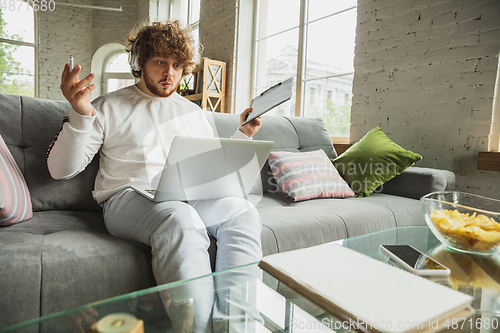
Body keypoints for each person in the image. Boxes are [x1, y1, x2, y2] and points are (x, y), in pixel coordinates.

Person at [47, 20, 263, 332]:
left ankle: (235, 326)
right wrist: (80, 113)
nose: (169, 73)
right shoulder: (107, 105)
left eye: (177, 65)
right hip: (127, 200)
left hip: (187, 195)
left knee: (244, 212)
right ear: (139, 62)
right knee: (180, 218)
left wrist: (243, 136)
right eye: (160, 62)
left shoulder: (194, 114)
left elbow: (212, 169)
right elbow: (60, 170)